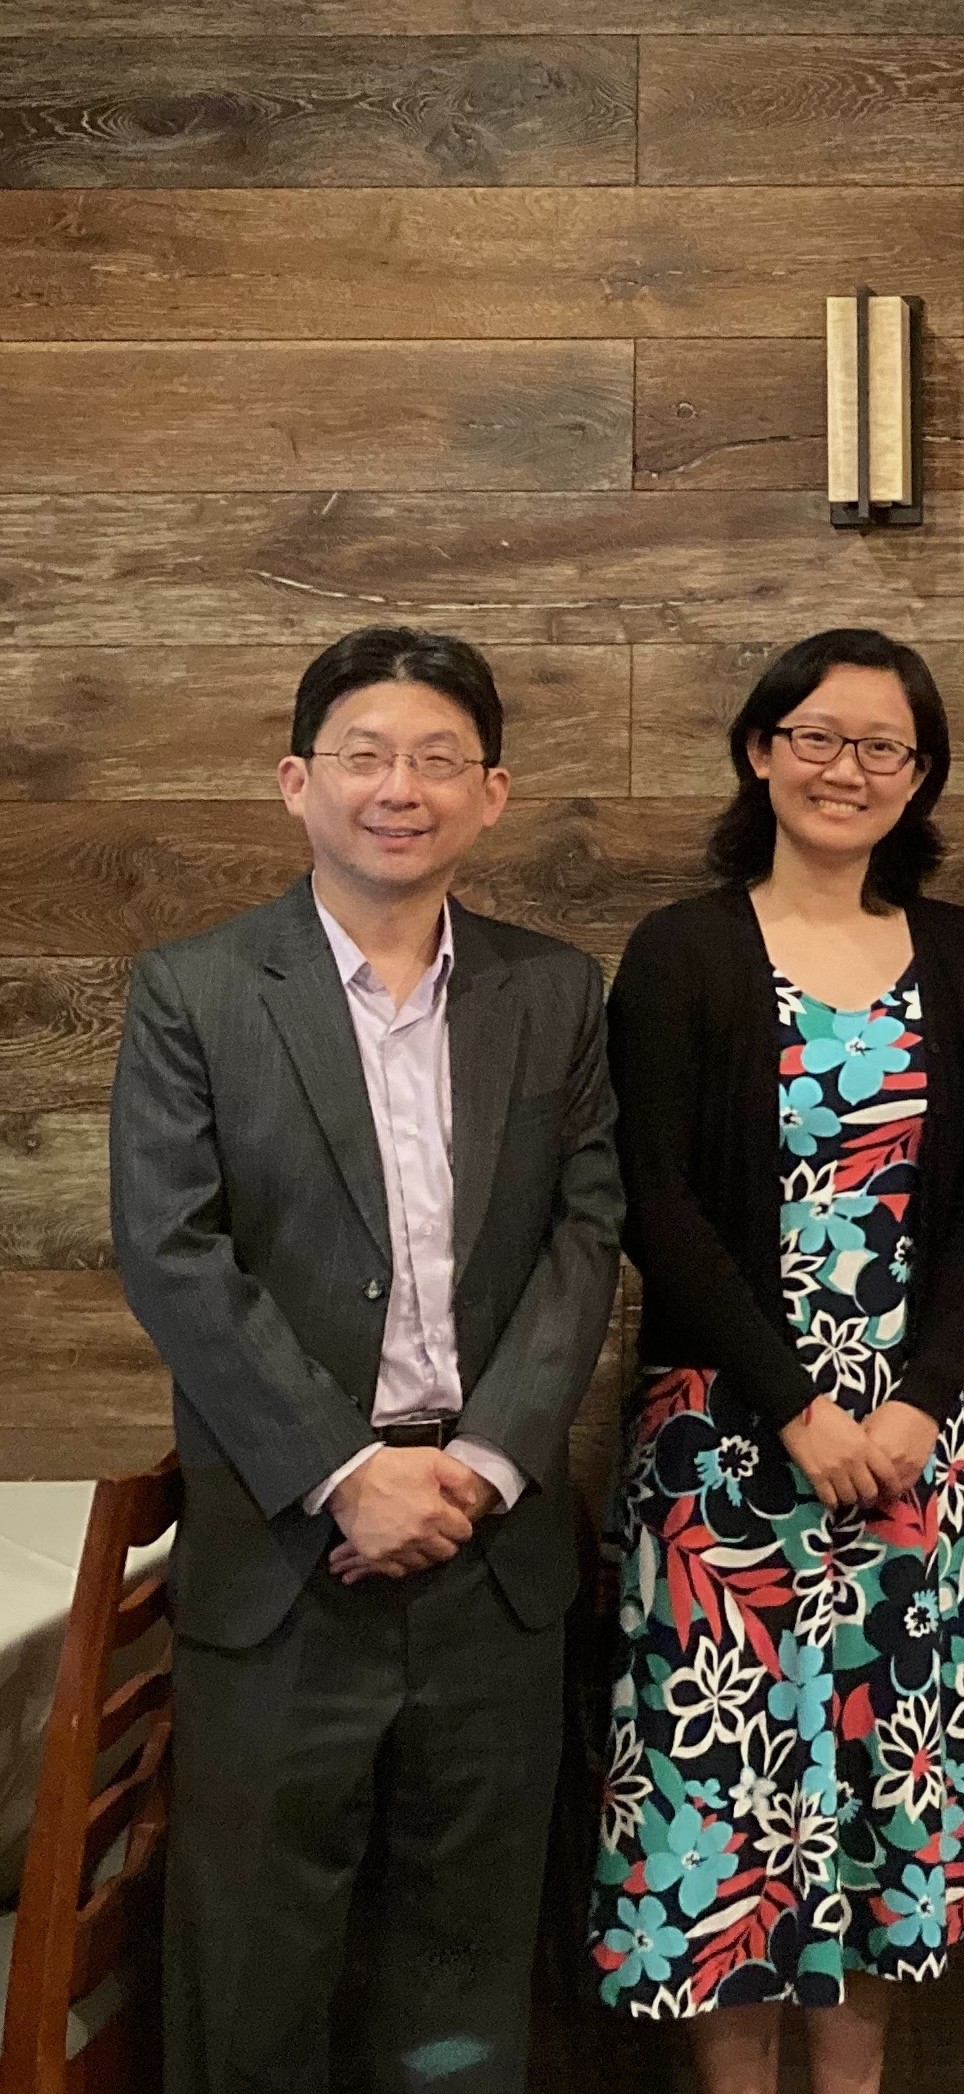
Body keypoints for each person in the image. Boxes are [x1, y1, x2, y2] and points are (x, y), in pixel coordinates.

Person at [110, 627, 622, 2094]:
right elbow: (175, 1253)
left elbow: (588, 1239)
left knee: (462, 1991)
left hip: (491, 1554)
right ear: (297, 781)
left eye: (437, 759)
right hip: (286, 1562)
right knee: (251, 1988)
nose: (400, 787)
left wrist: (475, 1465)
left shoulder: (553, 992)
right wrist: (345, 1474)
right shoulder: (194, 991)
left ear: (492, 793)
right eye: (365, 755)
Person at [591, 629, 964, 2093]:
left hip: (907, 1451)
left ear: (920, 774)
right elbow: (660, 1201)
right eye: (818, 736)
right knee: (733, 1823)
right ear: (761, 749)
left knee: (876, 1823)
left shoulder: (956, 953)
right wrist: (800, 1404)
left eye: (883, 745)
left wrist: (911, 1403)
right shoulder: (685, 948)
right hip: (727, 1451)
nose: (848, 768)